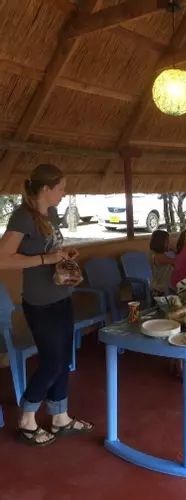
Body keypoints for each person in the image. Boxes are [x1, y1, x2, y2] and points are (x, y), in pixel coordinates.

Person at [0, 164, 93, 447]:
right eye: (61, 188)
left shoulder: (49, 214)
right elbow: (3, 258)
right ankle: (26, 420)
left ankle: (59, 418)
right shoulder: (23, 217)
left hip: (60, 296)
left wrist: (63, 256)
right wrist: (45, 260)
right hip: (40, 303)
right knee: (51, 362)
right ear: (46, 189)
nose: (65, 193)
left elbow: (50, 249)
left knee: (63, 358)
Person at [149, 230, 175, 296]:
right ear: (162, 243)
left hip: (161, 286)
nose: (170, 244)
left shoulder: (156, 254)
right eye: (168, 242)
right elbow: (176, 261)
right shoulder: (159, 257)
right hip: (160, 290)